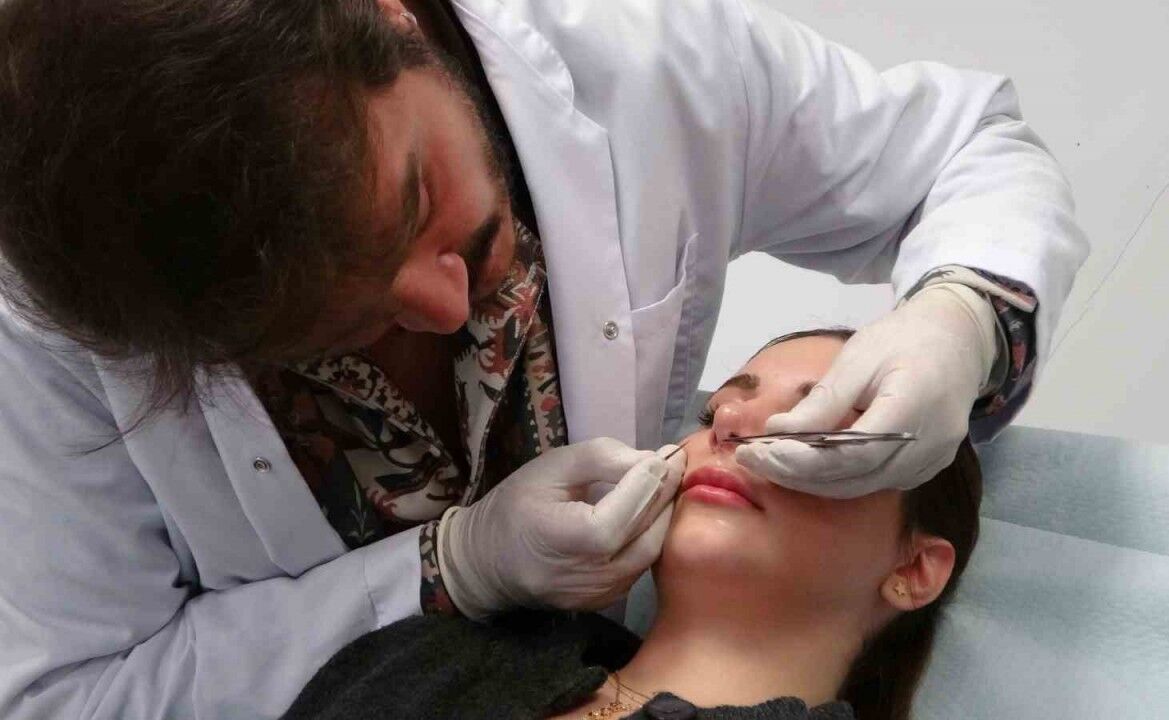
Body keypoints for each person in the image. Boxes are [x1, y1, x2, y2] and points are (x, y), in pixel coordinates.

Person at [0, 0, 1083, 716]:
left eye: (420, 201)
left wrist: (967, 316)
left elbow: (967, 148)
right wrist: (450, 570)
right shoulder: (53, 324)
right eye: (333, 324)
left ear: (388, 17)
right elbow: (69, 696)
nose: (444, 303)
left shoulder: (633, 52)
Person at [284, 329, 983, 720]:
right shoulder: (432, 657)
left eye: (821, 424)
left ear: (913, 570)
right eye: (713, 411)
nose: (730, 422)